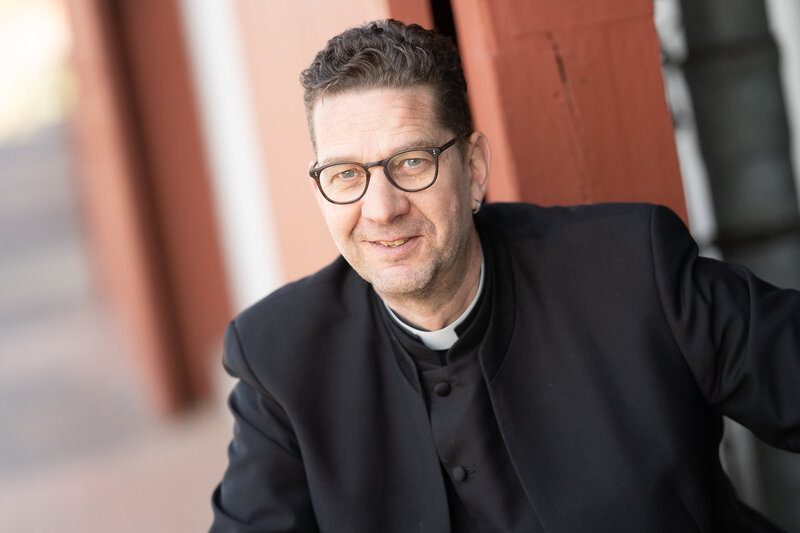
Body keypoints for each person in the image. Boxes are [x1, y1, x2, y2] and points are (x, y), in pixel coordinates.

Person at [210, 19, 799, 533]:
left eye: (411, 162)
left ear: (473, 169)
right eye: (345, 174)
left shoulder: (631, 271)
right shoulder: (279, 358)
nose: (381, 208)